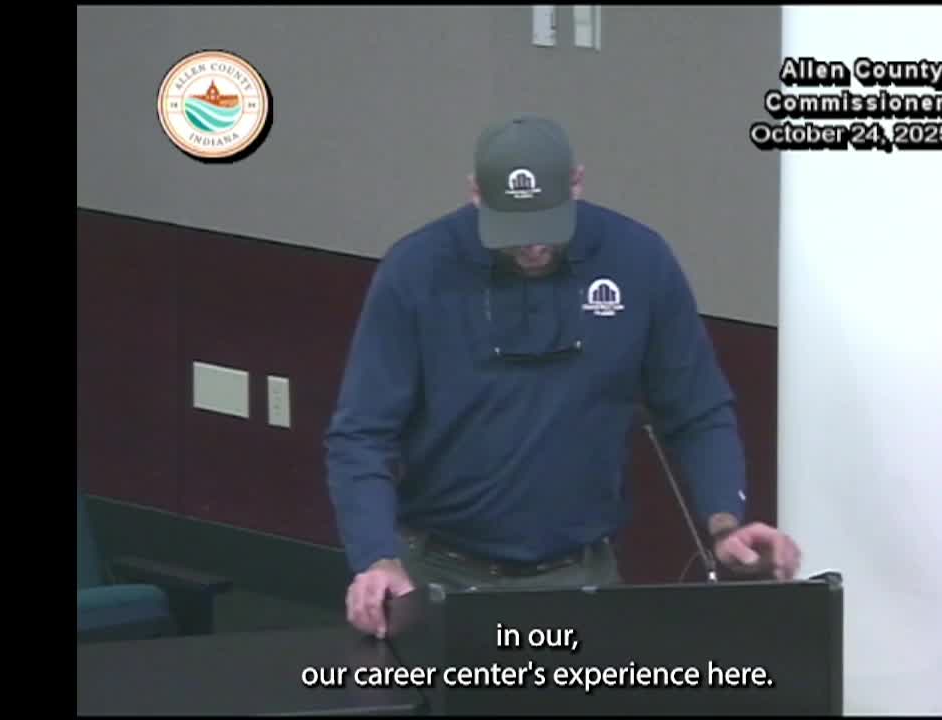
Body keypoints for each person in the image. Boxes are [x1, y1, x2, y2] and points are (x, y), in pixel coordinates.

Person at [325, 114, 801, 638]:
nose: (532, 247)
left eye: (545, 228)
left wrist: (725, 524)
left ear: (576, 183)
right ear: (476, 194)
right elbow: (360, 435)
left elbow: (699, 410)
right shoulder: (415, 269)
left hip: (581, 577)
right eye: (514, 231)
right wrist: (377, 559)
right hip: (439, 574)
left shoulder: (639, 260)